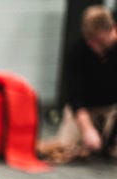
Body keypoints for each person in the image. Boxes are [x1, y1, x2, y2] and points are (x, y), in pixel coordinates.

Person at [40, 5, 117, 162]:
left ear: (112, 30)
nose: (96, 46)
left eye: (101, 41)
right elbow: (75, 97)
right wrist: (87, 129)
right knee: (65, 149)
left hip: (112, 109)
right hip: (85, 109)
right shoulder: (77, 51)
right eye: (92, 41)